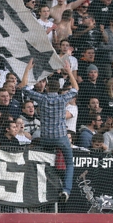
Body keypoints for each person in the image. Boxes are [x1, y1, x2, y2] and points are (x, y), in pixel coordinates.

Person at [20, 58, 78, 203]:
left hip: (45, 138)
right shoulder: (62, 99)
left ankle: (43, 187)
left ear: (47, 88)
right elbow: (76, 88)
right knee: (70, 163)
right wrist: (70, 72)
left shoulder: (42, 98)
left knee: (43, 160)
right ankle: (66, 190)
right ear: (58, 89)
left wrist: (27, 69)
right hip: (61, 138)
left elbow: (24, 87)